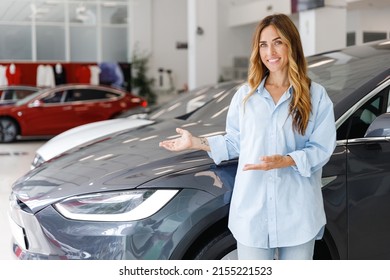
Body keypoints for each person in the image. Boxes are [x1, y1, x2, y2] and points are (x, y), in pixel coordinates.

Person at [159, 13, 336, 260]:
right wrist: (196, 143)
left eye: (277, 42)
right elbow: (235, 142)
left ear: (291, 45)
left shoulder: (315, 96)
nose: (270, 52)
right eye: (263, 45)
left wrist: (287, 160)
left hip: (298, 212)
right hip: (253, 214)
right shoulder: (246, 96)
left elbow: (322, 147)